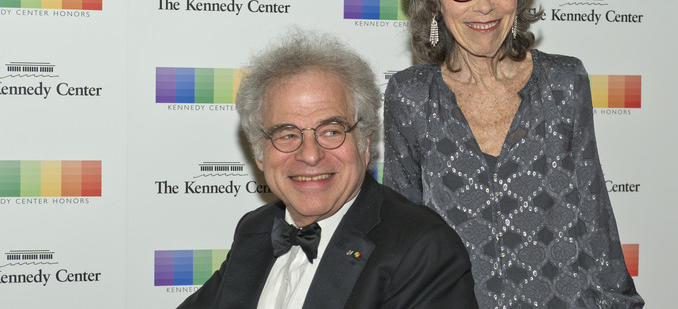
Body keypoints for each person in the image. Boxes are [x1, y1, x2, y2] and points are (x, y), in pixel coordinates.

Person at [383, 0, 644, 308]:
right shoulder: (410, 97)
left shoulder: (563, 83)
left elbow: (596, 219)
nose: (485, 5)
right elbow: (402, 239)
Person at [179, 31, 478, 309]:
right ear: (259, 152)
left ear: (364, 142)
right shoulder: (255, 230)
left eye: (331, 131)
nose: (310, 155)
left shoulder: (423, 249)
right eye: (287, 134)